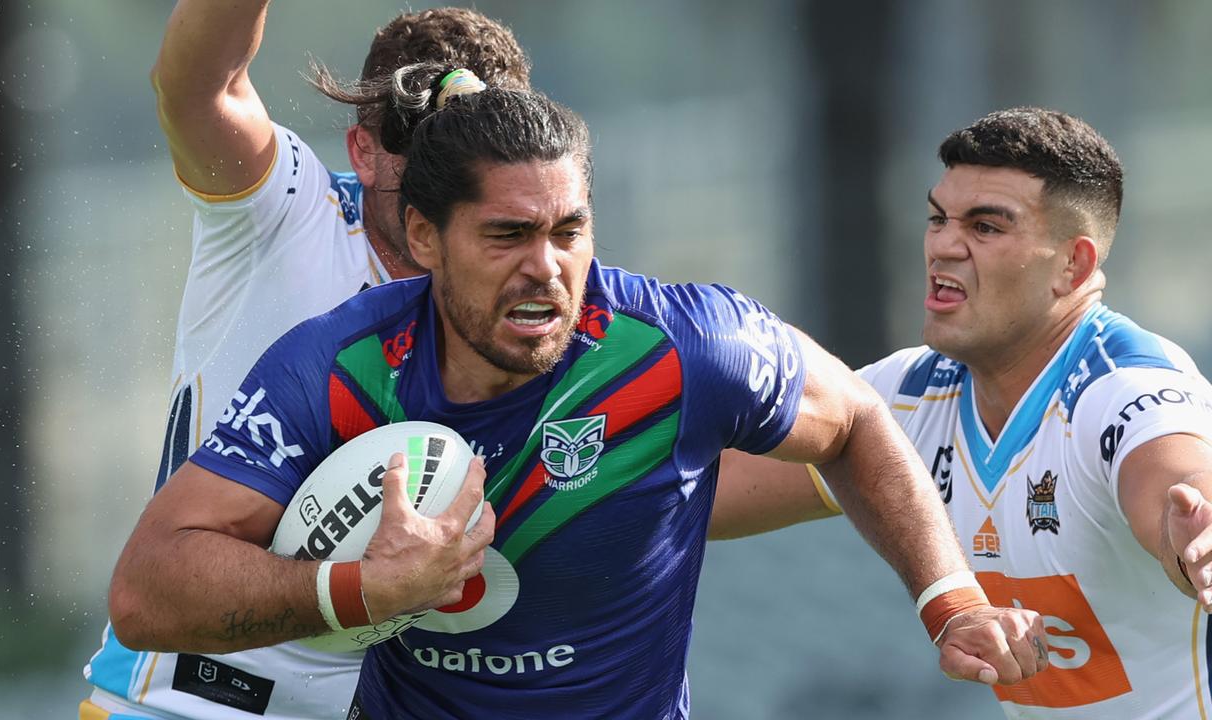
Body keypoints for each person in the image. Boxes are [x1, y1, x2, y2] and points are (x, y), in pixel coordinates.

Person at [109, 69, 1051, 719]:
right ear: (424, 239)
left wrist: (952, 601)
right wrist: (364, 589)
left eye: (570, 231)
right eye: (508, 235)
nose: (546, 269)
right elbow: (146, 592)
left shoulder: (683, 348)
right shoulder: (339, 371)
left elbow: (853, 419)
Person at [80, 5, 531, 719]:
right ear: (361, 149)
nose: (446, 174)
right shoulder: (289, 208)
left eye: (476, 148)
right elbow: (197, 86)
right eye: (420, 141)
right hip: (181, 704)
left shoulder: (527, 301)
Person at [710, 107, 1212, 719]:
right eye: (938, 218)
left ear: (1073, 266)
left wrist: (1190, 536)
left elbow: (1175, 479)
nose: (944, 244)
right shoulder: (905, 394)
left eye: (986, 227)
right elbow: (692, 492)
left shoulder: (1120, 386)